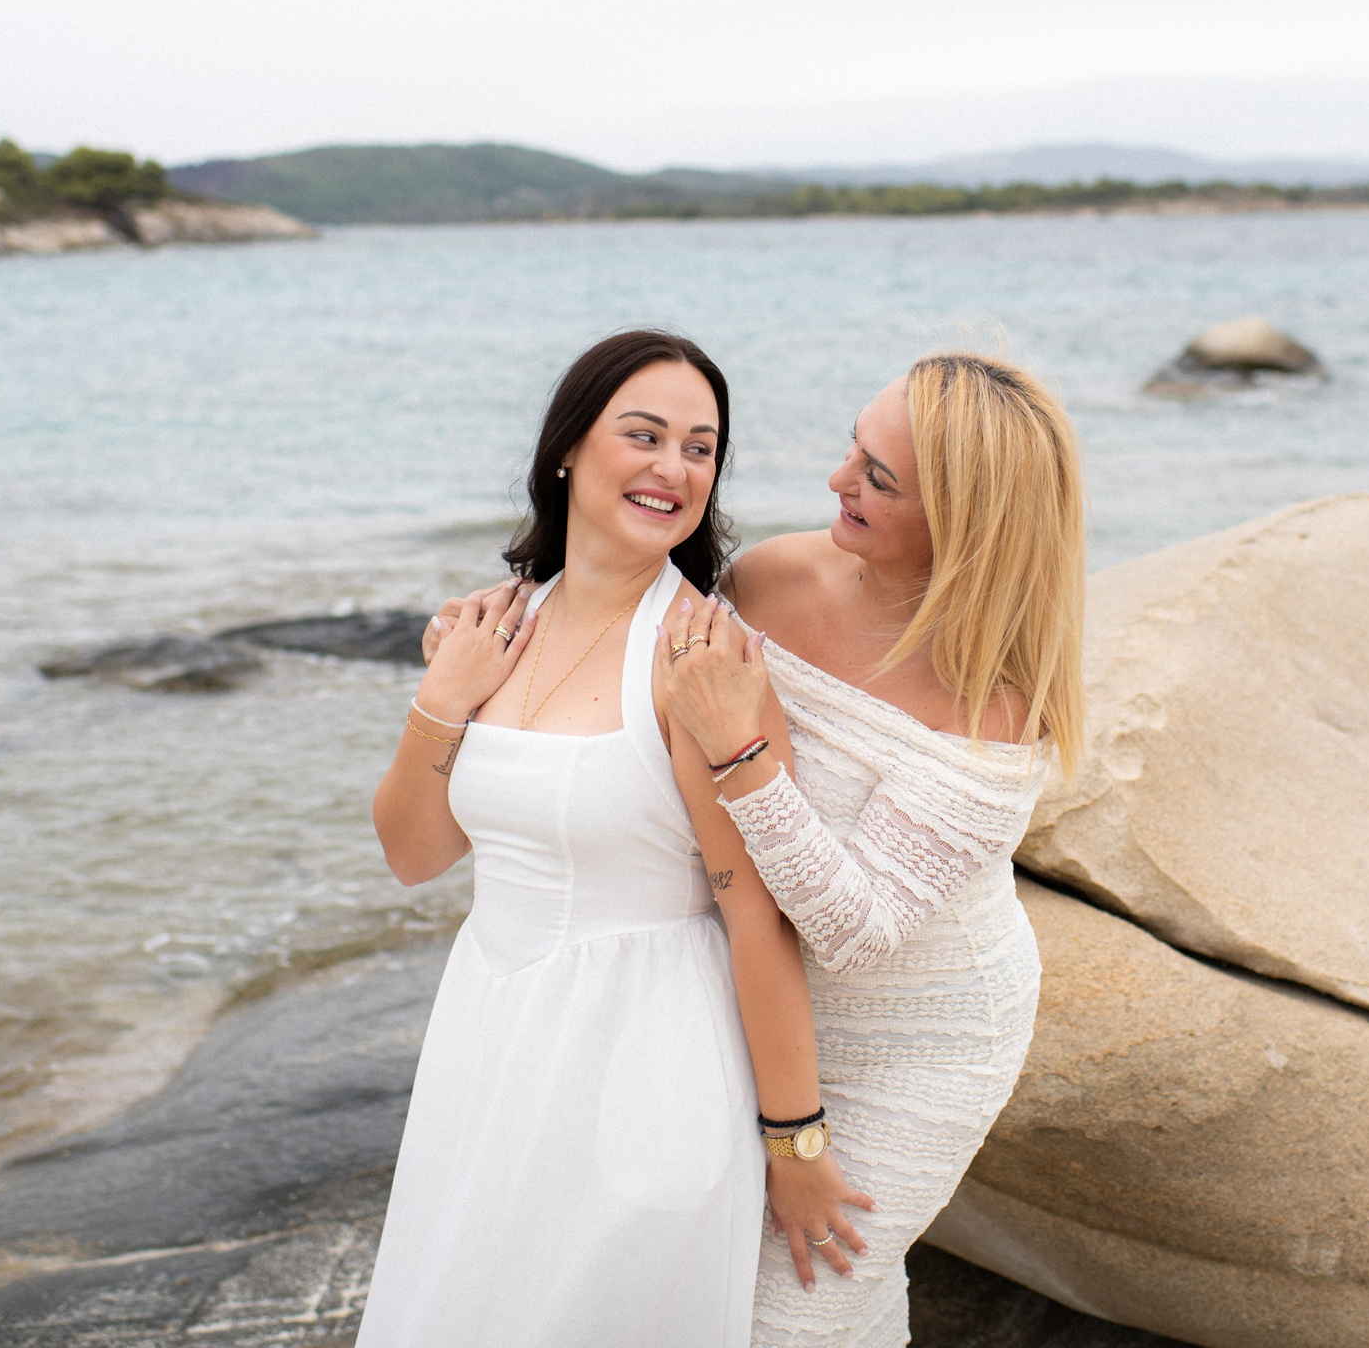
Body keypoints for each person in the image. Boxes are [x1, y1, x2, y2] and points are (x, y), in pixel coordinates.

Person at [434, 349, 1088, 1347]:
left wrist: (744, 756)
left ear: (963, 523)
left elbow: (851, 928)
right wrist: (487, 639)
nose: (837, 481)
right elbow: (634, 648)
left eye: (877, 478)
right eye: (850, 450)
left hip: (917, 1037)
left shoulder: (998, 707)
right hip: (750, 1000)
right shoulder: (774, 575)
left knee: (796, 1316)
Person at [359, 330, 873, 1348]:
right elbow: (415, 854)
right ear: (567, 447)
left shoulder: (700, 656)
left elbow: (754, 913)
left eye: (699, 446)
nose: (672, 467)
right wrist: (440, 698)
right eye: (643, 435)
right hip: (489, 1050)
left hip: (646, 1063)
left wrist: (796, 1141)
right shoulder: (493, 628)